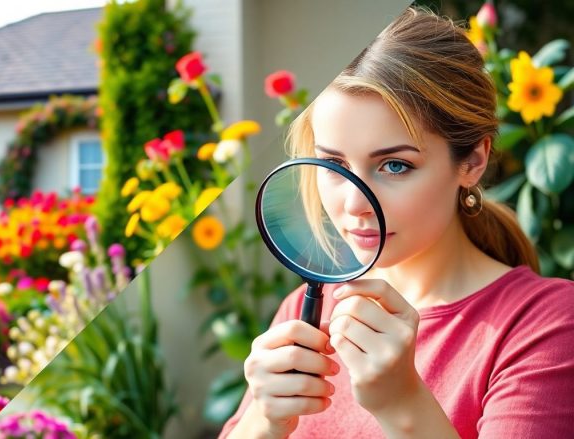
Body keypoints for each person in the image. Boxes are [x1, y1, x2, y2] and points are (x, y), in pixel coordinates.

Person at [220, 7, 574, 439]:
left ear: (473, 162)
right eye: (333, 163)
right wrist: (262, 422)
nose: (354, 204)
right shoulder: (305, 310)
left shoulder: (548, 326)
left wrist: (403, 405)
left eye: (394, 165)